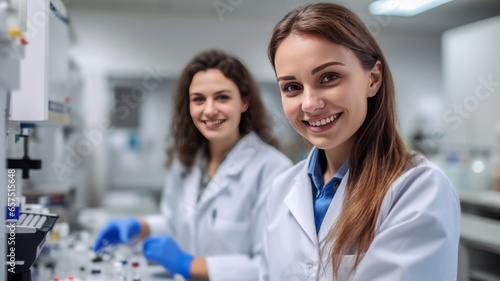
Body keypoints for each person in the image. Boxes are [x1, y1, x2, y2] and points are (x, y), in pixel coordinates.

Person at [260, 3, 460, 281]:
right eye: (292, 87)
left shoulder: (418, 188)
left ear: (373, 79)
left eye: (329, 77)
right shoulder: (279, 189)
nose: (309, 104)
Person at [94, 50, 292, 281]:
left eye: (222, 97)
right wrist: (141, 226)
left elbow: (272, 267)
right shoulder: (187, 162)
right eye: (199, 99)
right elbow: (182, 225)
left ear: (244, 102)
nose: (209, 110)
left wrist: (188, 264)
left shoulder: (273, 170)